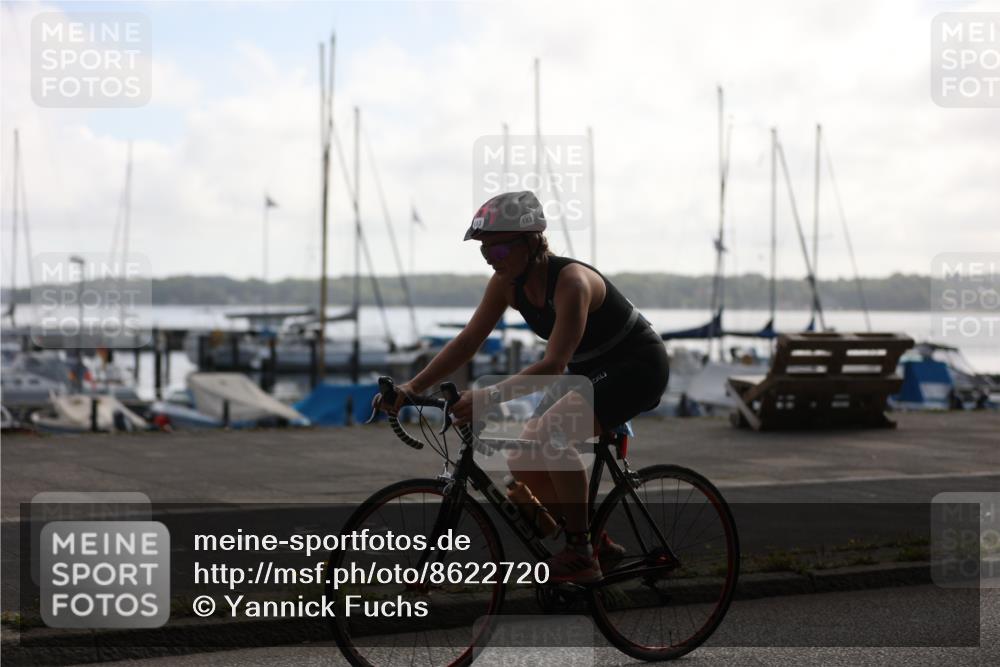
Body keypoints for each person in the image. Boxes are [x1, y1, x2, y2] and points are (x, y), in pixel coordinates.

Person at [380, 190, 669, 583]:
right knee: (522, 458)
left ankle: (582, 554)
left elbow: (553, 364)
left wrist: (488, 396)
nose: (491, 262)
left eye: (498, 252)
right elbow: (468, 341)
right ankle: (596, 540)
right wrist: (412, 388)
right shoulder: (506, 283)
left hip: (637, 366)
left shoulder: (572, 282)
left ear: (532, 242)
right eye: (484, 254)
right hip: (592, 372)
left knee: (553, 436)